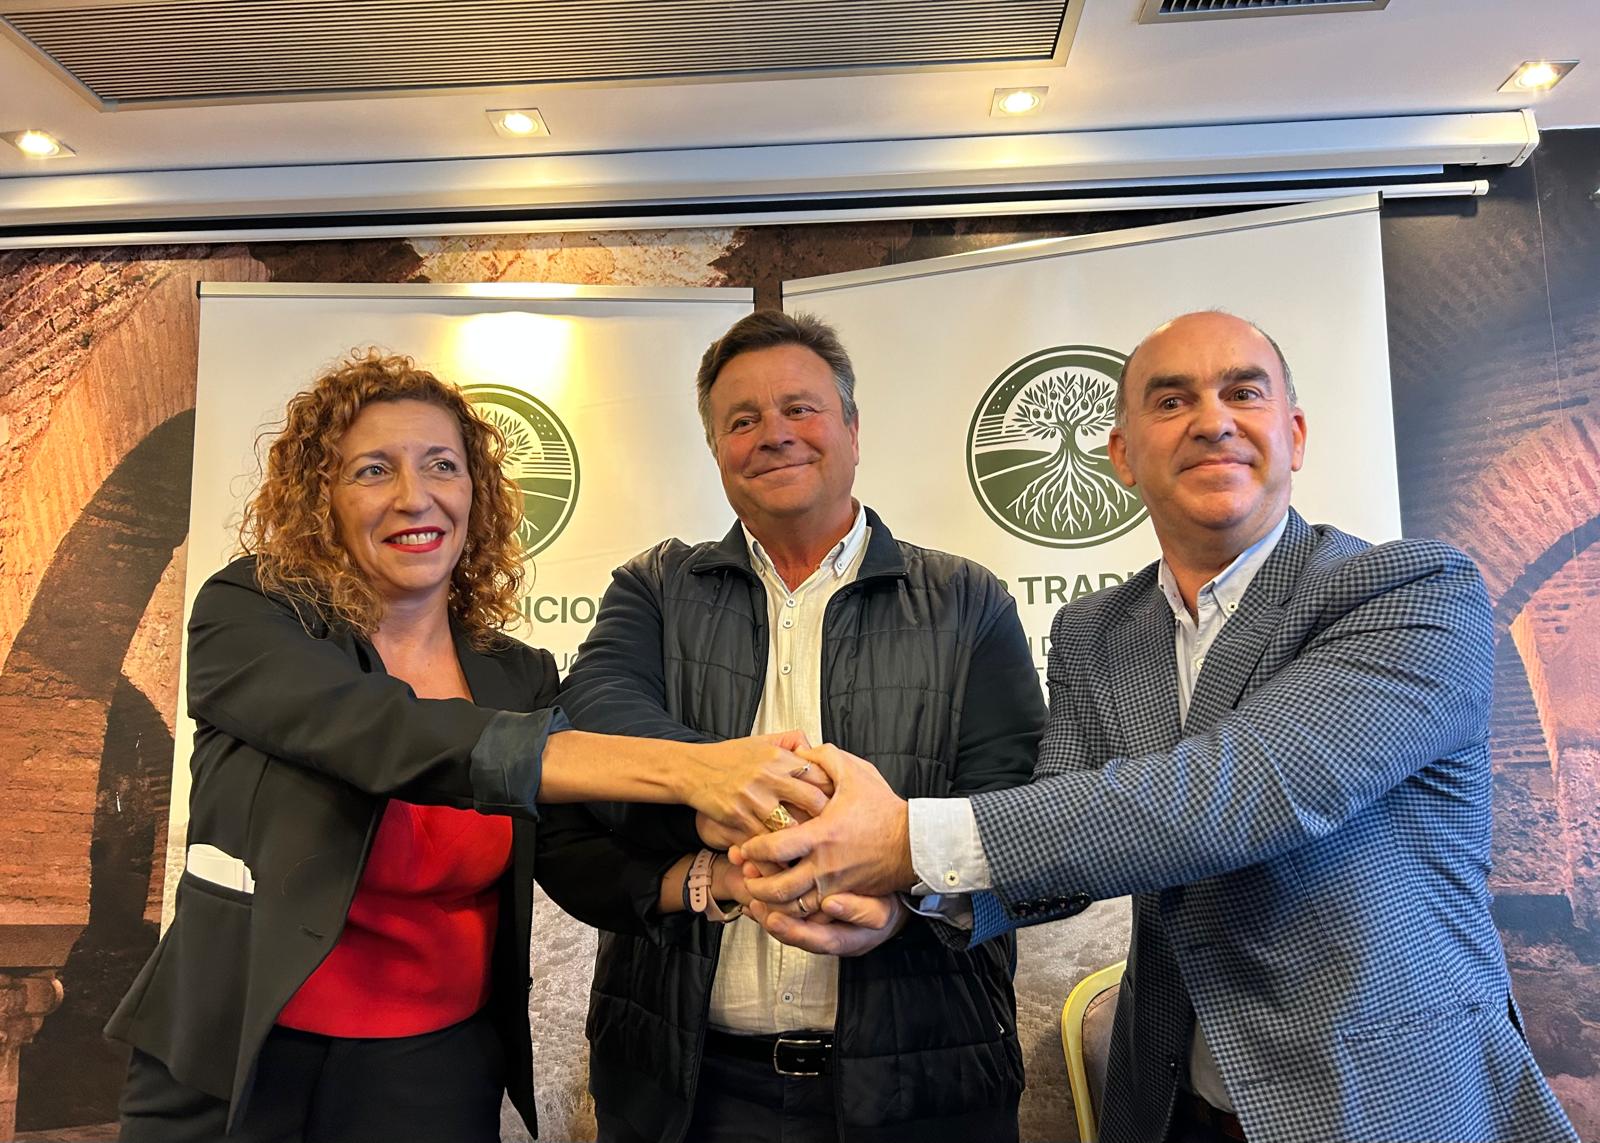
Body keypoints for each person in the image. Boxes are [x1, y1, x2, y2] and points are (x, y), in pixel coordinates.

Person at [738, 311, 1579, 1143]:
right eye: (1172, 401)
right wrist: (909, 901)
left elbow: (1241, 790)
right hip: (1172, 1105)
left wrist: (904, 839)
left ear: (1293, 434)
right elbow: (1062, 834)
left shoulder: (1412, 590)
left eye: (1242, 393)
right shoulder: (1096, 629)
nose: (1213, 421)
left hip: (1381, 1105)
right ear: (1122, 455)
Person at [106, 350, 826, 1143]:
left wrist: (717, 877)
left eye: (442, 465)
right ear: (321, 499)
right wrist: (690, 768)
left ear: (474, 493)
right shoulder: (250, 612)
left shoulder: (516, 673)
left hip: (436, 1072)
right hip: (236, 1060)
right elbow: (388, 732)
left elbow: (569, 849)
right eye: (372, 470)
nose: (414, 495)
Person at [551, 310, 1045, 1143]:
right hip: (684, 1086)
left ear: (852, 428)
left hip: (924, 1084)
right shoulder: (654, 587)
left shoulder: (969, 600)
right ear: (716, 450)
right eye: (742, 420)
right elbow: (596, 716)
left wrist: (907, 897)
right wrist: (726, 786)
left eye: (800, 409)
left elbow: (1019, 809)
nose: (773, 434)